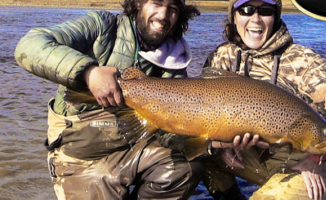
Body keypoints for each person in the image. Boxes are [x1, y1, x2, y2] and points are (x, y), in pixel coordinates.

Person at [14, 0, 204, 199]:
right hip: (80, 157)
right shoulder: (102, 25)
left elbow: (167, 133)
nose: (164, 15)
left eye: (173, 9)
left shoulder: (174, 58)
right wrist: (89, 72)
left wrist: (207, 140)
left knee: (186, 168)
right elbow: (30, 45)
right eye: (157, 3)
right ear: (138, 3)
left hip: (133, 147)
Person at [201, 0, 326, 199]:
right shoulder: (221, 56)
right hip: (248, 156)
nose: (256, 19)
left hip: (307, 163)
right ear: (234, 16)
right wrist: (220, 144)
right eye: (246, 9)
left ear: (275, 16)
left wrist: (316, 158)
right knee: (198, 156)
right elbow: (205, 113)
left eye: (266, 11)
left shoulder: (303, 61)